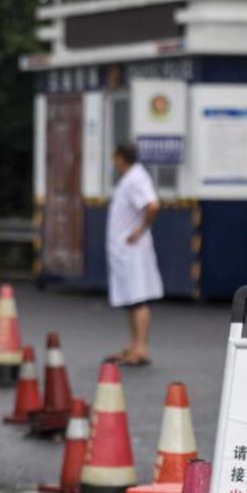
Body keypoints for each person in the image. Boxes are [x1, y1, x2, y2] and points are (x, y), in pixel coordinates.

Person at [105, 143, 163, 366]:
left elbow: (152, 205)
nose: (113, 162)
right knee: (131, 299)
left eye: (114, 158)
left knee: (138, 299)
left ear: (121, 158)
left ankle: (141, 348)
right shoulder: (131, 177)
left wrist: (141, 229)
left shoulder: (137, 178)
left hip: (133, 250)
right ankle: (133, 345)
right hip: (125, 251)